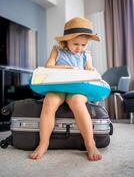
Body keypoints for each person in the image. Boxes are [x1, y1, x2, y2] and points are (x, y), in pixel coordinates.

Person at [29, 17, 102, 161]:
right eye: (75, 44)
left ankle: (90, 144)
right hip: (58, 86)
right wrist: (64, 67)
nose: (79, 48)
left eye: (83, 44)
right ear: (66, 40)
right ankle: (43, 143)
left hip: (78, 88)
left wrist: (91, 69)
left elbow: (89, 71)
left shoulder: (86, 55)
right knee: (49, 101)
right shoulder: (57, 50)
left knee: (77, 103)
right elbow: (48, 66)